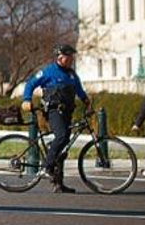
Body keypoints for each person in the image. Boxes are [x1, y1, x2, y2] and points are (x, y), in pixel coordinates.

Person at [21, 44, 92, 193]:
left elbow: (79, 90)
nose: (72, 59)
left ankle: (58, 183)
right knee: (61, 136)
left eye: (72, 56)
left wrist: (87, 103)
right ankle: (47, 167)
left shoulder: (72, 75)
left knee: (63, 143)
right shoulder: (49, 71)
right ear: (60, 57)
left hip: (67, 112)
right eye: (69, 56)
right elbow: (31, 83)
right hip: (53, 110)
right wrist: (27, 99)